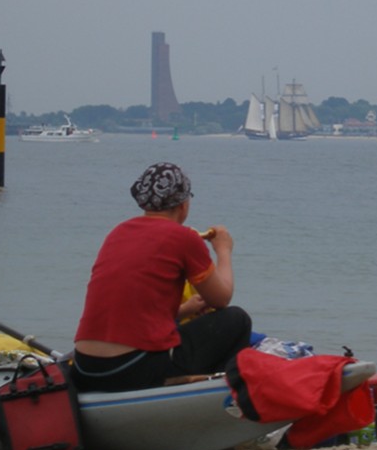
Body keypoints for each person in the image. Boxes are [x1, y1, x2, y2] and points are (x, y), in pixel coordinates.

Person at [70, 162, 252, 392]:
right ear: (183, 205)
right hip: (132, 369)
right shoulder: (184, 238)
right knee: (236, 320)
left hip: (86, 367)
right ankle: (219, 398)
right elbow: (221, 298)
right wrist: (224, 250)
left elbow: (132, 310)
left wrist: (186, 309)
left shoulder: (118, 232)